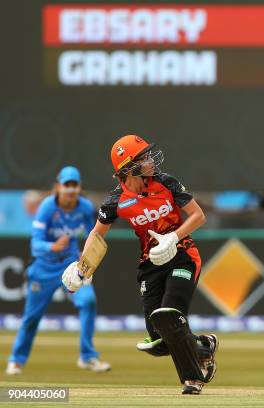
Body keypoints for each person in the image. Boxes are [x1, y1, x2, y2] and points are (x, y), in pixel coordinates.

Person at [61, 135, 218, 395]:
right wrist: (82, 269)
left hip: (182, 254)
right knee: (159, 339)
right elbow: (97, 235)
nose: (150, 161)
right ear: (128, 168)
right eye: (143, 158)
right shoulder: (115, 201)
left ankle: (192, 380)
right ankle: (203, 347)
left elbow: (198, 216)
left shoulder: (167, 183)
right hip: (150, 264)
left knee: (170, 315)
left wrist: (172, 237)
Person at [6, 167, 111, 375]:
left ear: (79, 187)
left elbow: (96, 236)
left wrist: (87, 259)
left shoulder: (85, 207)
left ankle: (87, 357)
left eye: (74, 185)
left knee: (88, 301)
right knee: (32, 317)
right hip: (44, 266)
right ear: (58, 187)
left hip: (71, 265)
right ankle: (16, 360)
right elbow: (35, 244)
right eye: (67, 185)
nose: (70, 190)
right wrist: (51, 247)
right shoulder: (47, 207)